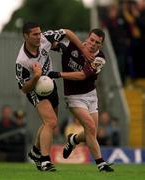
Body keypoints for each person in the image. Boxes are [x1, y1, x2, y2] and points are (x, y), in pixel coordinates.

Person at [15, 21, 92, 171]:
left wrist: (83, 49)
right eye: (35, 34)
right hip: (34, 89)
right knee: (50, 121)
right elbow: (24, 88)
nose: (39, 36)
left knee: (50, 123)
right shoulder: (22, 61)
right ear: (25, 36)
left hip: (49, 84)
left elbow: (67, 32)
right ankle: (45, 160)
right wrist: (36, 77)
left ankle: (35, 152)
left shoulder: (45, 38)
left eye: (39, 32)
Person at [48, 28, 114, 172]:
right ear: (87, 38)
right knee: (90, 126)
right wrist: (52, 45)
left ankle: (73, 140)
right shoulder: (72, 46)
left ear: (100, 45)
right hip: (73, 96)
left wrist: (58, 74)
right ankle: (101, 163)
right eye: (91, 40)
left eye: (97, 43)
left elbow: (82, 76)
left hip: (90, 95)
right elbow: (52, 45)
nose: (93, 44)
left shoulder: (99, 58)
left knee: (92, 132)